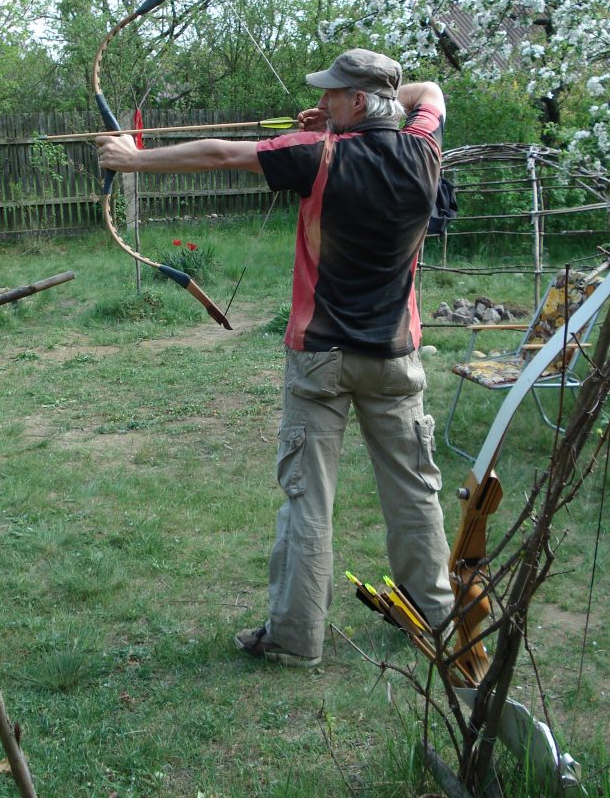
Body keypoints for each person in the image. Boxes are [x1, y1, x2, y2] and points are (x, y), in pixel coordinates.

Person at [97, 48, 454, 669]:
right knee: (414, 490)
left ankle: (293, 639)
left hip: (321, 359)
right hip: (397, 357)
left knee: (308, 497)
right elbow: (428, 91)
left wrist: (134, 160)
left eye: (336, 93)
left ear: (361, 102)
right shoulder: (424, 146)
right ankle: (435, 616)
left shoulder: (319, 155)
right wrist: (340, 115)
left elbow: (220, 152)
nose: (324, 100)